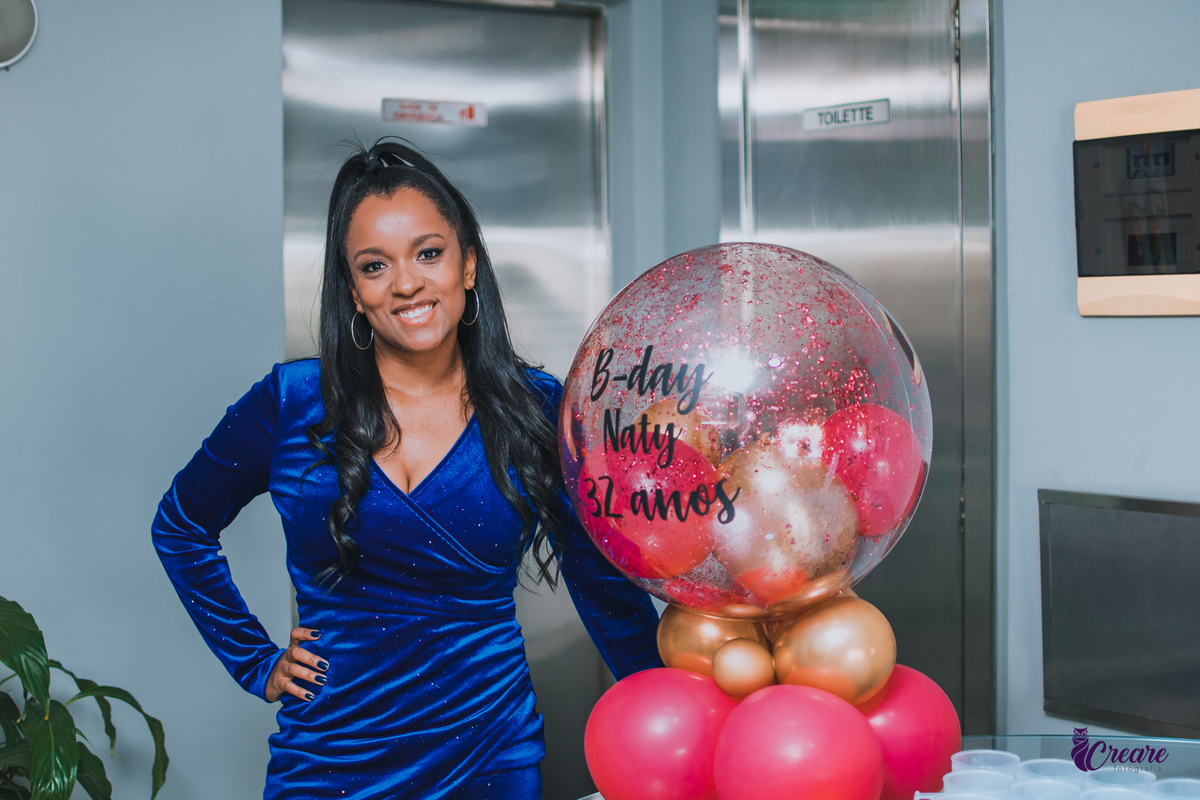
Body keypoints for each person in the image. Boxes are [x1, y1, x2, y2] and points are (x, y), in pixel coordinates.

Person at [152, 139, 661, 800]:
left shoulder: (537, 407)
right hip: (328, 758)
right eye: (374, 265)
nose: (407, 283)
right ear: (356, 294)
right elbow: (182, 527)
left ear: (468, 266)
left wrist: (673, 713)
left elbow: (601, 584)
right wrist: (256, 662)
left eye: (429, 253)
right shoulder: (291, 401)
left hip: (488, 752)